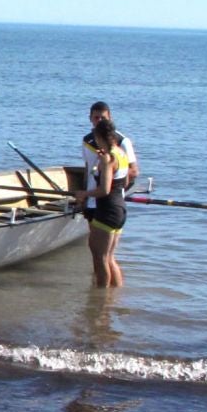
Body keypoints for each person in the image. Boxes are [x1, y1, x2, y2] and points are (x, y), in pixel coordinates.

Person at [72, 118, 130, 288]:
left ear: (100, 137)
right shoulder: (121, 154)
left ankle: (101, 300)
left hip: (107, 210)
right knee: (109, 257)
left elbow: (104, 190)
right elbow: (124, 183)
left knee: (100, 257)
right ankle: (114, 295)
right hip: (120, 208)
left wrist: (84, 193)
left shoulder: (107, 158)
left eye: (96, 138)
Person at [82, 101, 139, 192]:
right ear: (90, 119)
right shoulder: (86, 141)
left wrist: (109, 180)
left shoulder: (123, 141)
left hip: (109, 196)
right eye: (96, 118)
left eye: (103, 118)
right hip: (90, 197)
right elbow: (88, 168)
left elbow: (134, 172)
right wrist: (84, 192)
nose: (99, 121)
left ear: (110, 118)